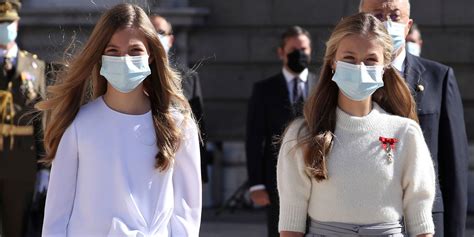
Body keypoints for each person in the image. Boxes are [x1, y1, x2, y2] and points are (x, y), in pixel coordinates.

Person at [39, 3, 201, 236]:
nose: (124, 59)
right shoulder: (78, 126)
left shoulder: (179, 126)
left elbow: (186, 214)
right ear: (100, 57)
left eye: (135, 51)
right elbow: (57, 217)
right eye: (113, 51)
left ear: (152, 57)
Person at [277, 13, 435, 237]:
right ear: (333, 62)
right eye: (349, 58)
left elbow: (420, 216)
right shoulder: (302, 135)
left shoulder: (405, 133)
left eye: (371, 59)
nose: (360, 67)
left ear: (385, 66)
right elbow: (291, 226)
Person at [360, 1, 469, 236]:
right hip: (363, 218)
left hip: (425, 220)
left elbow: (454, 165)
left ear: (408, 26)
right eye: (377, 15)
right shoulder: (345, 78)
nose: (386, 23)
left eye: (394, 16)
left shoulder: (438, 78)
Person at [246, 26, 317, 237]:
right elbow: (254, 138)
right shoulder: (264, 89)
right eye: (293, 49)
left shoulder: (323, 85)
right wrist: (256, 184)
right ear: (281, 52)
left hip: (315, 176)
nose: (299, 54)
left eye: (303, 49)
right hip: (276, 178)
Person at [0, 0, 48, 236]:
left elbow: (41, 121)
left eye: (8, 23)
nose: (4, 28)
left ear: (17, 24)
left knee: (16, 227)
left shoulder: (34, 65)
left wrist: (44, 168)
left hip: (21, 161)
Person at [149, 14, 209, 183]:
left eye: (160, 32)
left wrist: (200, 173)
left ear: (171, 39)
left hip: (179, 162)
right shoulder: (135, 74)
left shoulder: (188, 77)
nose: (155, 35)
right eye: (150, 31)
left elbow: (199, 124)